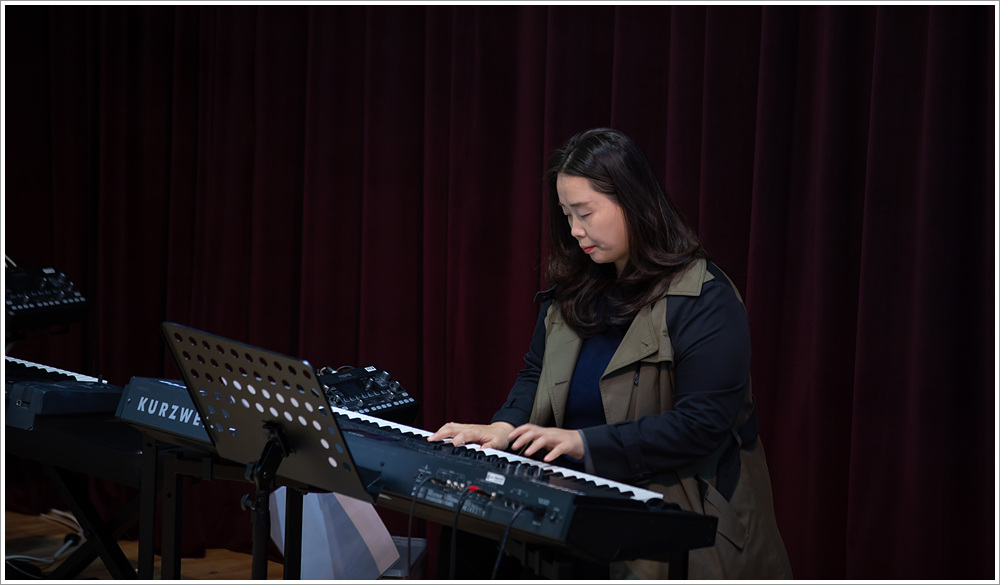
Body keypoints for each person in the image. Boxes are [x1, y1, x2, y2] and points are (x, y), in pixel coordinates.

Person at [428, 128, 793, 579]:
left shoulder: (705, 298)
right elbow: (535, 373)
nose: (574, 230)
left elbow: (700, 425)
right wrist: (503, 428)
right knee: (469, 537)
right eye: (566, 215)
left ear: (632, 201)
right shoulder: (574, 289)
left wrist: (583, 443)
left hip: (673, 520)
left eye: (585, 213)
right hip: (573, 505)